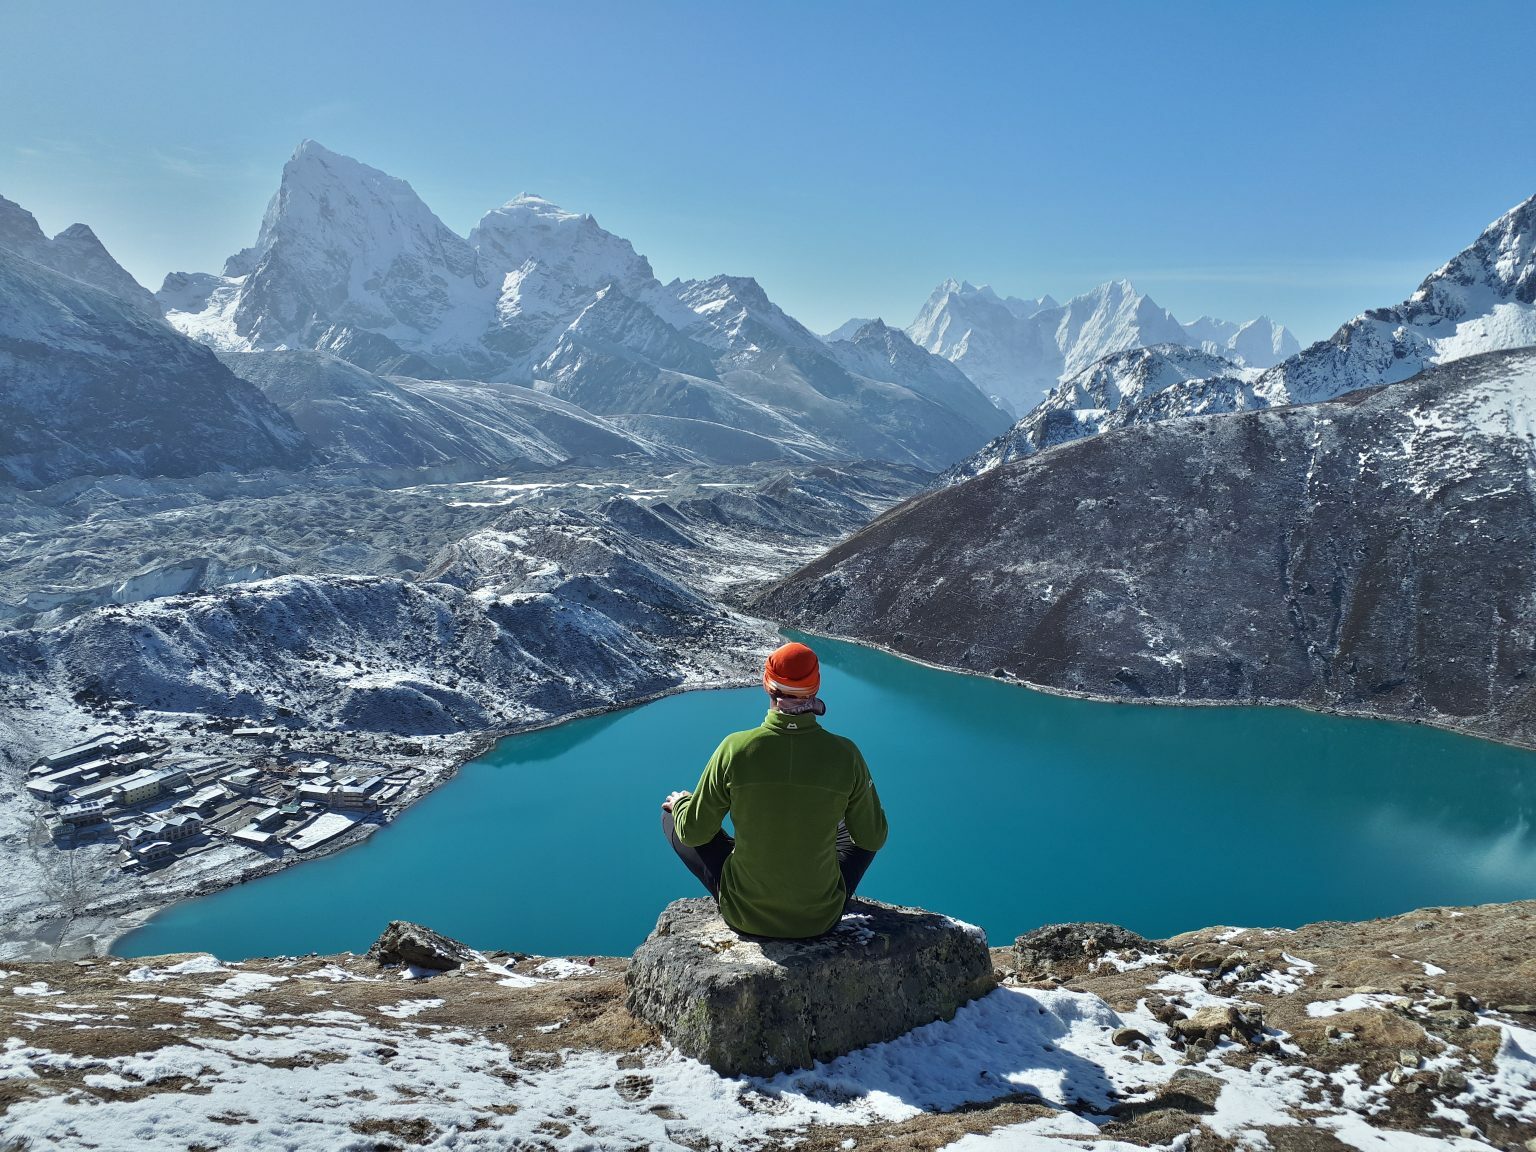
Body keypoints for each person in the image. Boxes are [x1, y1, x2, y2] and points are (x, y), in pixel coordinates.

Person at [660, 641, 888, 939]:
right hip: (820, 917)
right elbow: (873, 837)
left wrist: (682, 804)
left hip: (745, 914)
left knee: (673, 819)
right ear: (815, 688)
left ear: (768, 687)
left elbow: (693, 833)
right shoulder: (846, 755)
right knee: (854, 824)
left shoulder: (735, 748)